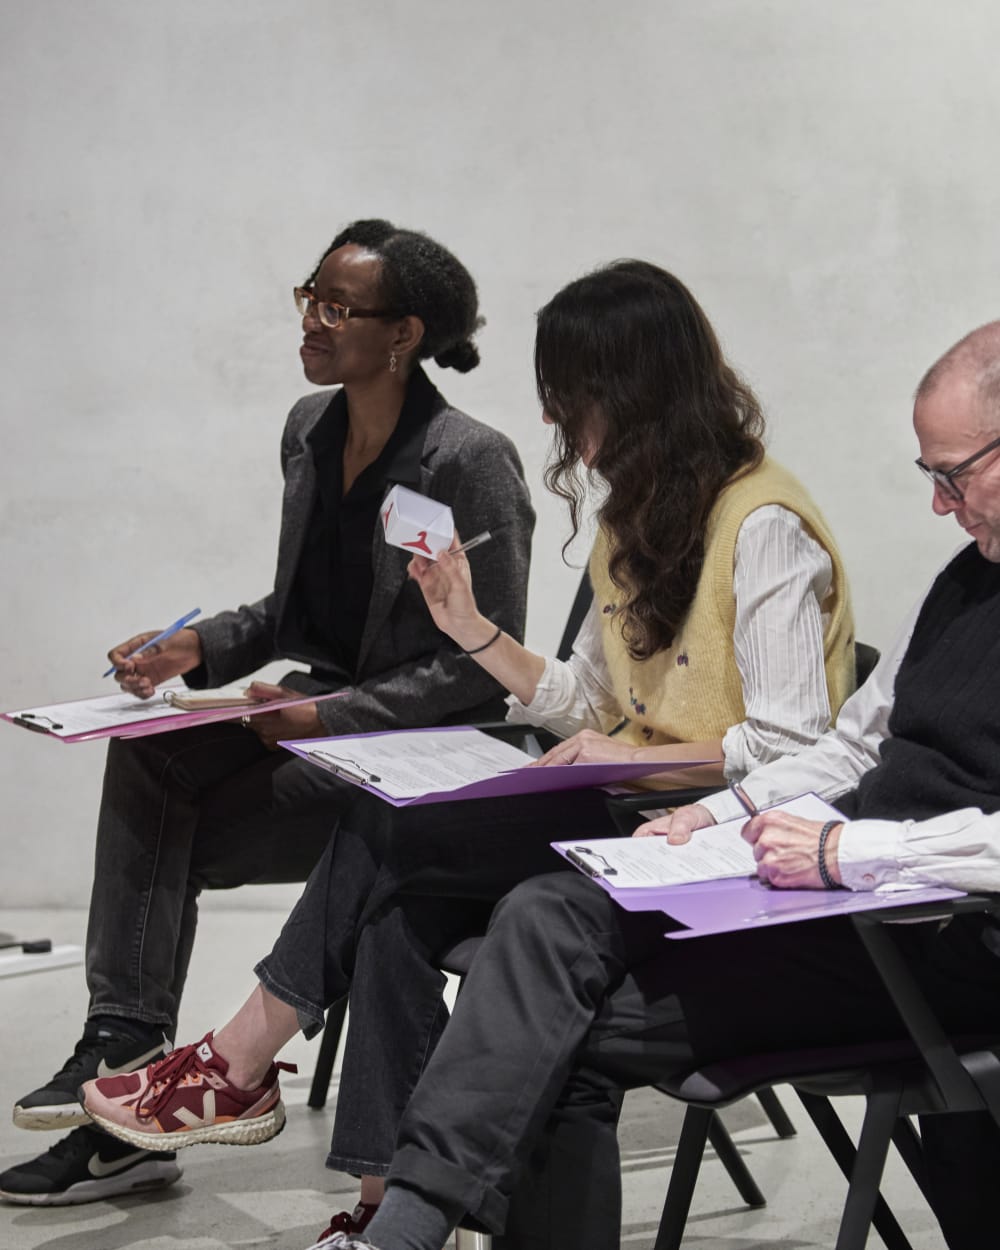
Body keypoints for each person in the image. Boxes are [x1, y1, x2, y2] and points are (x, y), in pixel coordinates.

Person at [132, 315, 1000, 1250]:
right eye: (931, 476)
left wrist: (844, 846)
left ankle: (350, 1175)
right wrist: (711, 815)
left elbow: (794, 742)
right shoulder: (958, 582)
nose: (940, 504)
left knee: (466, 929)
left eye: (955, 474)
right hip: (815, 887)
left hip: (930, 929)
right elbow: (852, 747)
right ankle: (398, 1222)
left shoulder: (763, 524)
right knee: (516, 912)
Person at [0, 219, 534, 1208]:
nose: (312, 321)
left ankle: (133, 1109)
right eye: (309, 297)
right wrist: (198, 648)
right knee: (149, 758)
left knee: (166, 836)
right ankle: (125, 1048)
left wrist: (333, 713)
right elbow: (296, 610)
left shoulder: (469, 460)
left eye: (338, 306)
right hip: (314, 728)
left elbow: (484, 668)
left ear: (404, 333)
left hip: (410, 761)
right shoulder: (308, 430)